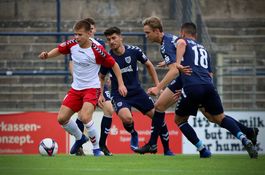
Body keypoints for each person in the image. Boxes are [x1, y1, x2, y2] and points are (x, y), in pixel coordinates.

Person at [135, 16, 259, 157]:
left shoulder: (168, 44)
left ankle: (159, 145)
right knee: (216, 117)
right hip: (205, 83)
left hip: (190, 82)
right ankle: (247, 133)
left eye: (147, 32)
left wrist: (158, 87)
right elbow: (205, 71)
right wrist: (171, 63)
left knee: (173, 115)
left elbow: (175, 69)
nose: (146, 36)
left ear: (157, 31)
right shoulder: (197, 46)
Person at [38, 20, 127, 156]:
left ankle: (96, 149)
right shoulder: (72, 44)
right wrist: (48, 55)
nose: (76, 37)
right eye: (75, 34)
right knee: (62, 119)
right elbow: (60, 49)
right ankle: (80, 138)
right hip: (76, 88)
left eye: (80, 35)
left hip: (92, 88)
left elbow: (114, 65)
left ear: (88, 34)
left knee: (85, 117)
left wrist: (121, 83)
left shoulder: (97, 50)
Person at [173, 22, 258, 158]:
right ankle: (244, 137)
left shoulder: (182, 40)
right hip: (208, 86)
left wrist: (177, 64)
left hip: (192, 87)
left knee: (179, 120)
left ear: (183, 32)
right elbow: (210, 74)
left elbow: (181, 43)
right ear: (196, 34)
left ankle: (203, 150)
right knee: (219, 118)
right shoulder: (204, 50)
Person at [99, 26, 175, 155]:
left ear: (121, 37)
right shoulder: (107, 58)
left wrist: (158, 86)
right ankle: (133, 132)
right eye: (108, 40)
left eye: (114, 38)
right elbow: (101, 77)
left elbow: (149, 65)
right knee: (127, 118)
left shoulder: (134, 51)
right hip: (119, 95)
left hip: (137, 92)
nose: (111, 41)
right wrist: (100, 94)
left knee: (158, 118)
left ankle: (167, 149)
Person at [68, 17, 114, 156]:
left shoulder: (99, 44)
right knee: (83, 115)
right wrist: (76, 77)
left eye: (93, 28)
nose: (92, 31)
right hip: (83, 84)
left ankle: (102, 145)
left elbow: (106, 63)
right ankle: (80, 144)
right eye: (90, 28)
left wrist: (107, 78)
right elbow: (72, 63)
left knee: (109, 109)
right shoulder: (77, 45)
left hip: (97, 83)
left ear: (93, 30)